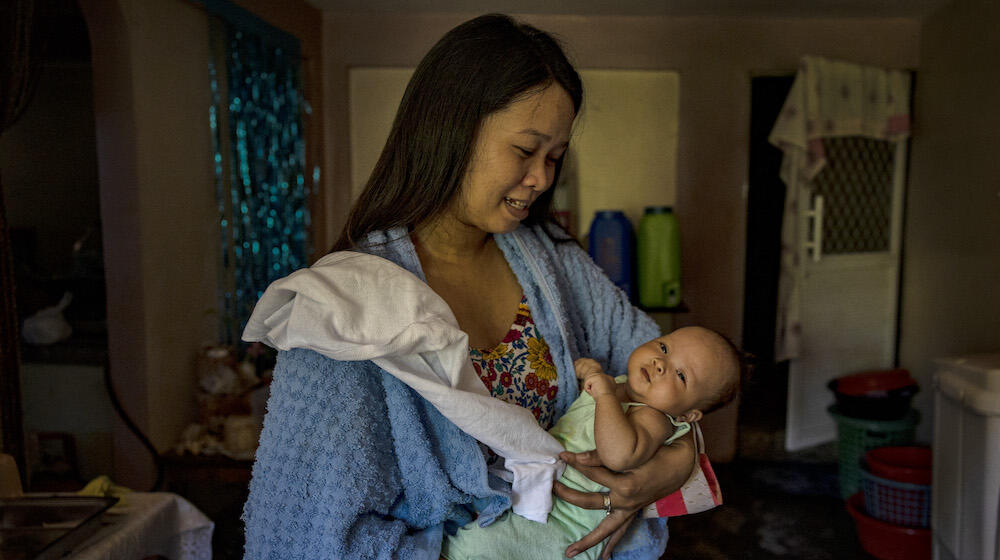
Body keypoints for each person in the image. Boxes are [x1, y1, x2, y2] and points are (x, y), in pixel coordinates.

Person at [242, 13, 699, 559]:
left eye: (554, 158)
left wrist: (677, 461)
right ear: (450, 130)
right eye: (525, 151)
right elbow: (309, 534)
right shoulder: (344, 307)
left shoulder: (554, 264)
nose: (542, 179)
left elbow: (675, 385)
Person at [442, 327, 741, 560]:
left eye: (680, 375)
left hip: (565, 525)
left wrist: (605, 394)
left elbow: (620, 456)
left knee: (482, 548)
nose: (660, 363)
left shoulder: (655, 418)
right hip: (545, 498)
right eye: (663, 347)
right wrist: (592, 375)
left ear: (688, 415)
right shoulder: (627, 386)